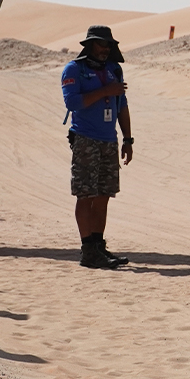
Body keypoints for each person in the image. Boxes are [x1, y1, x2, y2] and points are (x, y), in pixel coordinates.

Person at [61, 25, 134, 269]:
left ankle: (98, 246)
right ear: (90, 45)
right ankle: (87, 250)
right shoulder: (74, 69)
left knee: (104, 195)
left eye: (109, 45)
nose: (105, 49)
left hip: (109, 141)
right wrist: (105, 91)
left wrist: (128, 139)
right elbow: (73, 102)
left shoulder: (114, 70)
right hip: (85, 140)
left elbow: (121, 105)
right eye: (101, 44)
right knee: (86, 195)